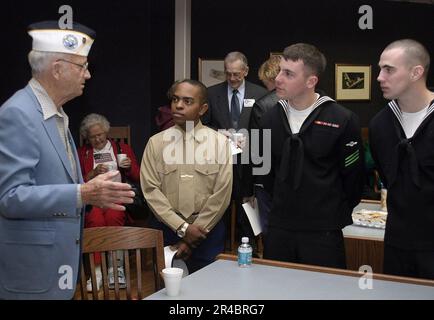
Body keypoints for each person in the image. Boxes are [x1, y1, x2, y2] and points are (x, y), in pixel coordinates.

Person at [0, 21, 134, 300]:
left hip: (56, 268)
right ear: (57, 69)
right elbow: (10, 198)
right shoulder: (19, 114)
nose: (87, 75)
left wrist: (89, 192)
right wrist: (83, 193)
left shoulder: (56, 114)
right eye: (81, 66)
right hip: (33, 275)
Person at [262, 43, 364, 269]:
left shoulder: (342, 119)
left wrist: (327, 211)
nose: (278, 78)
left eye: (288, 74)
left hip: (323, 231)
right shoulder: (269, 118)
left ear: (311, 81)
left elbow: (354, 179)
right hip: (280, 227)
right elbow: (265, 173)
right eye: (280, 70)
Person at [141, 79, 232, 273]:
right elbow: (150, 190)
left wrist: (194, 233)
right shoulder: (156, 144)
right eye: (175, 99)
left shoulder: (220, 143)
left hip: (208, 231)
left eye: (188, 101)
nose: (179, 105)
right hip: (167, 229)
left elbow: (222, 193)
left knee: (209, 289)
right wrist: (182, 228)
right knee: (167, 291)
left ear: (202, 108)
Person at [369, 39, 434, 279]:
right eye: (380, 69)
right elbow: (387, 176)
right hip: (398, 243)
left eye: (389, 69)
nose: (379, 77)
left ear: (416, 72)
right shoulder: (380, 124)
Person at [201, 51, 267, 246]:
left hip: (249, 161)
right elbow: (203, 126)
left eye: (236, 74)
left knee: (247, 204)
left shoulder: (260, 94)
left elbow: (266, 128)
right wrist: (219, 132)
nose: (232, 78)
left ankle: (248, 245)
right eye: (228, 73)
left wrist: (252, 139)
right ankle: (220, 245)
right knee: (220, 205)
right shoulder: (211, 94)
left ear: (246, 71)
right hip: (221, 160)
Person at [78, 113, 140, 291]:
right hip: (94, 198)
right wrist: (92, 174)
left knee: (114, 216)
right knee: (95, 221)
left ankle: (116, 268)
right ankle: (97, 271)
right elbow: (77, 181)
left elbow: (137, 176)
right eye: (92, 136)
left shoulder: (122, 148)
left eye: (100, 134)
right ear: (87, 137)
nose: (97, 139)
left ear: (106, 132)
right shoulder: (83, 153)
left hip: (117, 196)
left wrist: (128, 167)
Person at [243, 55, 283, 236]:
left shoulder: (262, 106)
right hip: (298, 182)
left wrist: (248, 189)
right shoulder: (307, 100)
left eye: (265, 82)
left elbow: (256, 151)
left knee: (270, 231)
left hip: (267, 181)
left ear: (271, 78)